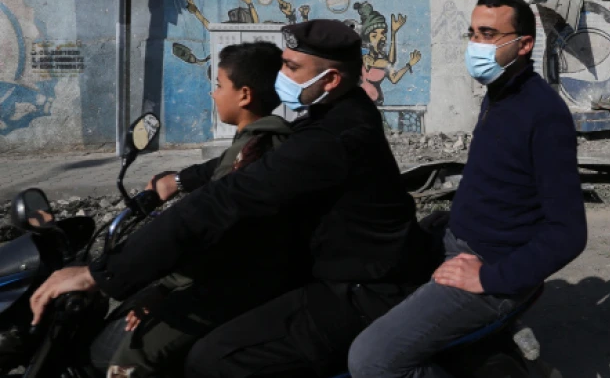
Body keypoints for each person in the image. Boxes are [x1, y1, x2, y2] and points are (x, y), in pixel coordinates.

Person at [30, 19, 430, 377]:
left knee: (215, 359)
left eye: (291, 67)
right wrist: (177, 180)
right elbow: (232, 166)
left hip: (361, 290)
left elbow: (225, 200)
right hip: (339, 269)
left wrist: (101, 274)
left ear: (329, 80)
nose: (281, 75)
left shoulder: (331, 140)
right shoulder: (339, 113)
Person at [348, 0, 588, 378]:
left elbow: (569, 233)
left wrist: (488, 278)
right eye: (472, 33)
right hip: (456, 243)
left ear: (524, 44)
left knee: (371, 361)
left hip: (489, 266)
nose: (476, 44)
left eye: (489, 34)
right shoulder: (499, 94)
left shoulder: (544, 114)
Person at [104, 41, 298, 377]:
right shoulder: (268, 141)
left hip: (235, 283)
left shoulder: (250, 153)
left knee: (133, 353)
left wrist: (162, 287)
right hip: (256, 274)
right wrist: (174, 182)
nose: (214, 94)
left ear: (244, 95)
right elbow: (211, 170)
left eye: (220, 85)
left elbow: (211, 237)